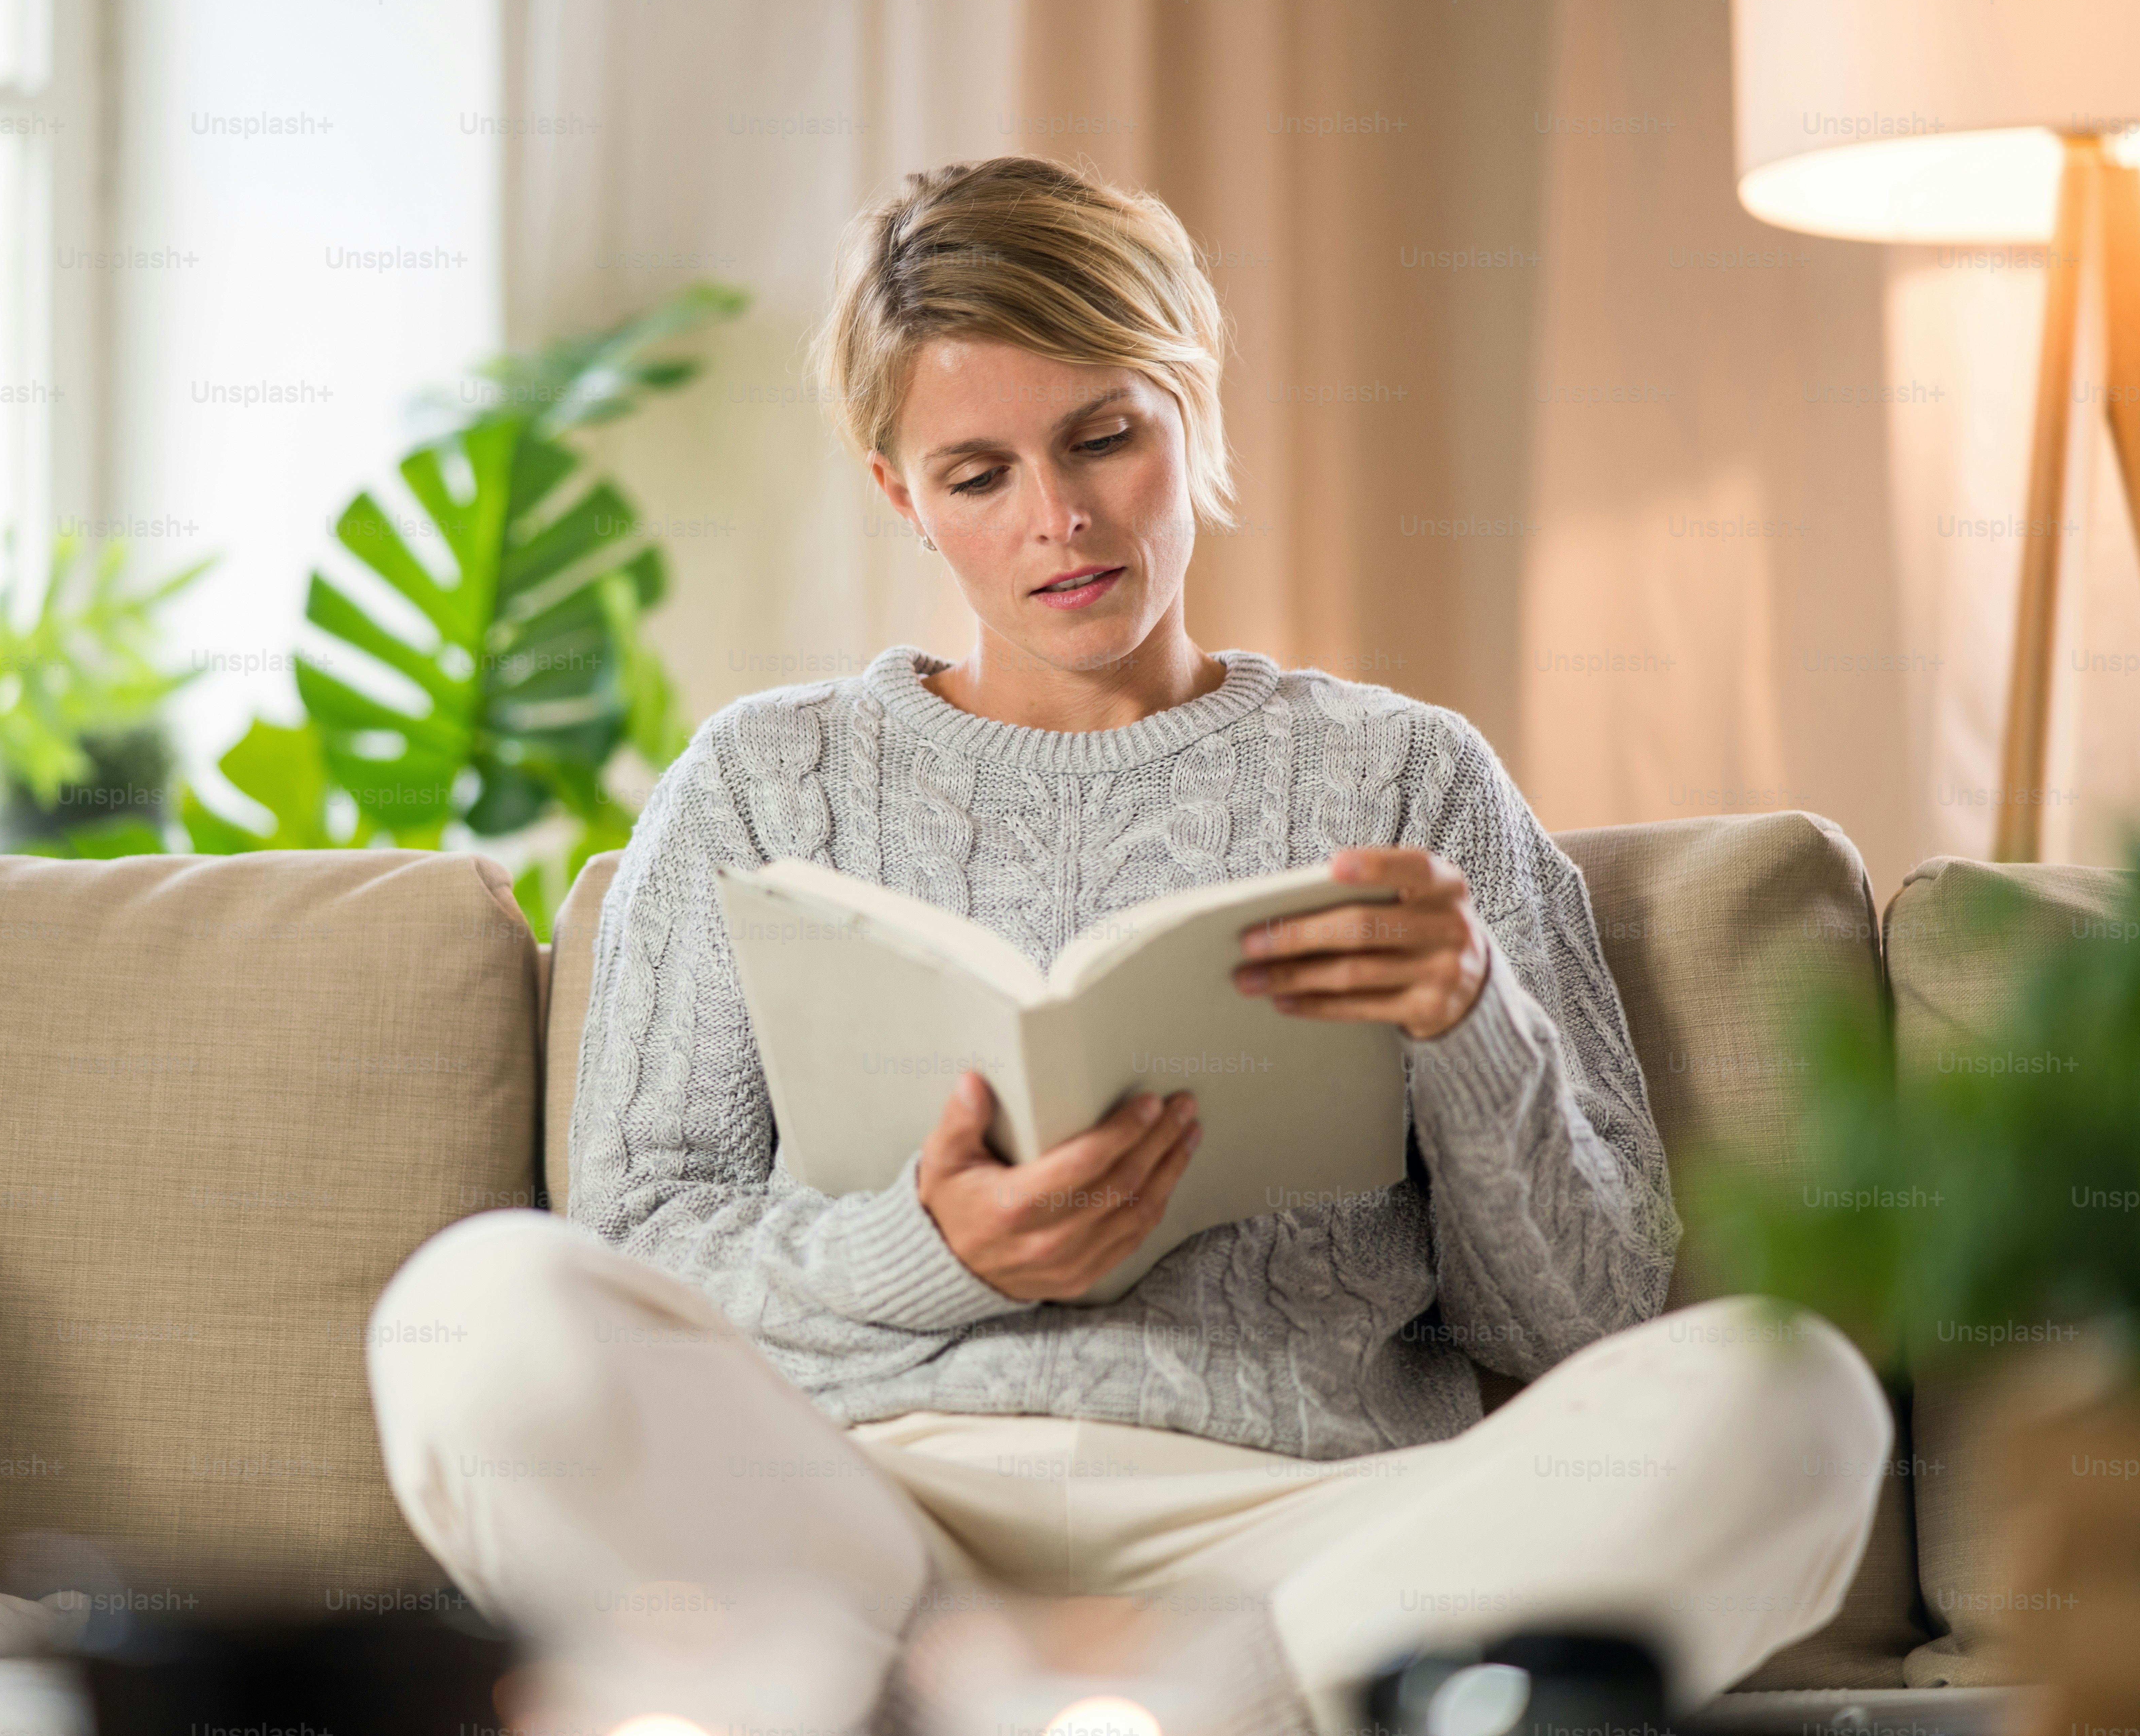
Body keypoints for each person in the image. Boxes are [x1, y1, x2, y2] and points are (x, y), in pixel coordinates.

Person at [369, 156, 1887, 1735]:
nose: (1061, 520)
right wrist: (934, 1251)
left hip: (1304, 1534)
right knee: (475, 1310)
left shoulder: (1406, 776)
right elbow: (639, 1251)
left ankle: (1169, 1709)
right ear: (899, 496)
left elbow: (1585, 1323)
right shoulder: (760, 783)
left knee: (1790, 1396)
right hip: (863, 1526)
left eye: (1103, 437)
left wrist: (1471, 1025)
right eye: (977, 475)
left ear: (1191, 411)